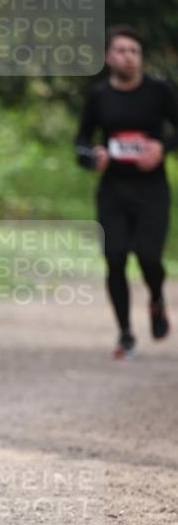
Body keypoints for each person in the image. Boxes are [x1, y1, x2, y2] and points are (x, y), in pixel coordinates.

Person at [76, 25, 177, 358]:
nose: (128, 57)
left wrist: (161, 148)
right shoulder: (99, 96)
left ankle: (157, 299)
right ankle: (125, 334)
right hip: (113, 190)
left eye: (134, 51)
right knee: (115, 256)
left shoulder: (159, 91)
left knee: (149, 257)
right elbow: (81, 143)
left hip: (152, 189)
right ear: (108, 57)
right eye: (121, 51)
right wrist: (94, 157)